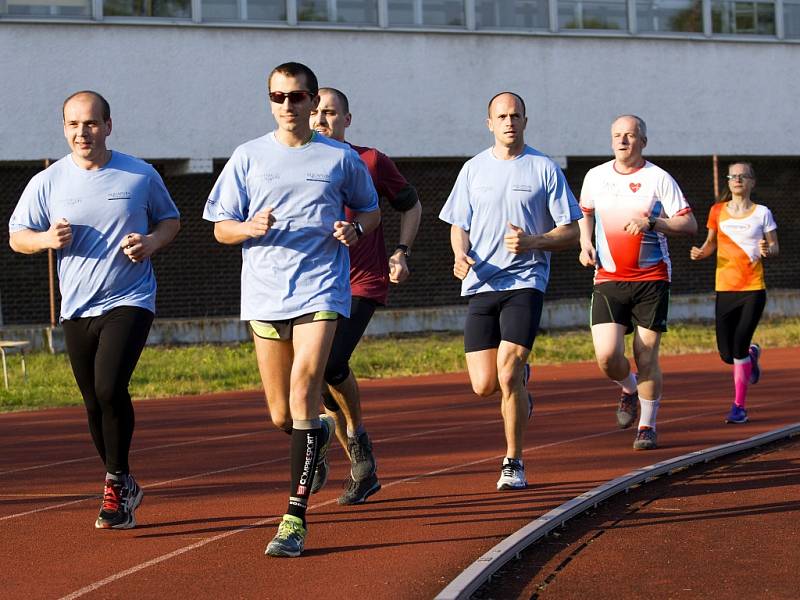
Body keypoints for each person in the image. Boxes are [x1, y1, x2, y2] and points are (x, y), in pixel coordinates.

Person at [203, 63, 380, 558]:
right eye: (277, 97)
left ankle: (293, 520)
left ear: (310, 101)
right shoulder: (248, 156)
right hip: (264, 293)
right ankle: (320, 431)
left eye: (296, 97)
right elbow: (220, 226)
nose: (286, 105)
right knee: (283, 414)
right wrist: (248, 228)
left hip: (321, 289)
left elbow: (370, 209)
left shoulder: (339, 158)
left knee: (306, 387)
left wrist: (357, 230)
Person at [9, 91, 181, 529]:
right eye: (72, 125)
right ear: (64, 128)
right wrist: (46, 240)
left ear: (108, 125)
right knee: (92, 402)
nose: (81, 133)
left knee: (108, 388)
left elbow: (170, 221)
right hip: (77, 307)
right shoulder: (48, 181)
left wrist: (151, 243)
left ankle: (116, 481)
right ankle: (123, 481)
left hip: (130, 299)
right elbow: (17, 236)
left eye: (90, 123)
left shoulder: (138, 174)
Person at [439, 92, 581, 490]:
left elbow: (570, 230)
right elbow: (457, 224)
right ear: (489, 123)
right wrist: (459, 253)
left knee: (508, 370)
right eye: (501, 116)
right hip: (481, 282)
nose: (508, 122)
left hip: (525, 281)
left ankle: (513, 461)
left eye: (515, 115)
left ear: (525, 120)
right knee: (484, 385)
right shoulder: (472, 170)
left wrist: (533, 242)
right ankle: (520, 383)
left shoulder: (543, 168)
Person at [309, 87, 422, 505]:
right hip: (313, 283)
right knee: (313, 376)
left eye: (331, 113)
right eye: (317, 112)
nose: (322, 120)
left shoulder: (370, 160)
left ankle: (356, 443)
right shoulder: (295, 164)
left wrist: (402, 251)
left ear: (347, 119)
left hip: (361, 280)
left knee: (331, 363)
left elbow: (411, 206)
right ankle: (339, 445)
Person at [578, 115, 697, 450]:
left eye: (630, 135)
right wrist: (585, 243)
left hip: (651, 278)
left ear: (643, 140)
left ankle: (647, 425)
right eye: (617, 135)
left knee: (646, 356)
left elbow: (688, 224)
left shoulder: (658, 179)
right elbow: (585, 212)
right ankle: (628, 387)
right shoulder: (595, 176)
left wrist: (653, 223)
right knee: (606, 357)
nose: (623, 141)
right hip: (608, 277)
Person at [690, 161, 779, 424]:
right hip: (725, 288)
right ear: (728, 182)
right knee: (726, 354)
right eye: (733, 176)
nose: (737, 180)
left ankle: (739, 407)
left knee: (738, 346)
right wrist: (700, 253)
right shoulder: (717, 211)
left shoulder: (762, 213)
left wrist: (767, 250)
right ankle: (751, 355)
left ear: (752, 182)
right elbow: (710, 244)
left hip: (752, 288)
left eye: (743, 176)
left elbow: (774, 247)